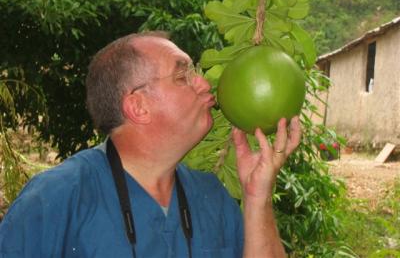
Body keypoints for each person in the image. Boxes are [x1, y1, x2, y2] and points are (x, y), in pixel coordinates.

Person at [0, 32, 301, 257]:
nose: (205, 84)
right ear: (138, 106)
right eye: (183, 75)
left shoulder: (210, 195)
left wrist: (257, 196)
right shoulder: (59, 197)